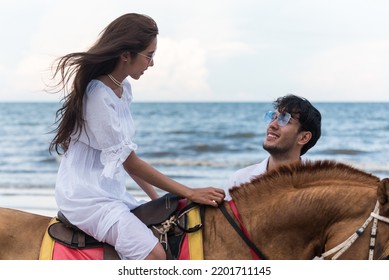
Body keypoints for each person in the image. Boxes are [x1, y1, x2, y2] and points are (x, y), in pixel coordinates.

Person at [48, 13, 225, 260]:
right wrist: (189, 192)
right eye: (149, 55)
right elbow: (131, 162)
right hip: (86, 196)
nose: (151, 63)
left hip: (110, 193)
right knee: (154, 255)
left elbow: (123, 157)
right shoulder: (98, 96)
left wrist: (157, 200)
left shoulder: (123, 90)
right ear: (125, 55)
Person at [223, 94, 321, 200]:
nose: (272, 125)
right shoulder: (240, 181)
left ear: (304, 138)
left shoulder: (316, 188)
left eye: (285, 119)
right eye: (273, 117)